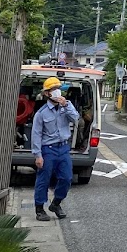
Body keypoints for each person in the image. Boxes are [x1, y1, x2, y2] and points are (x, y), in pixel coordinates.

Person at [31, 76, 79, 221]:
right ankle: (39, 209)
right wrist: (38, 155)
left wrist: (66, 105)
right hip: (48, 149)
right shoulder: (41, 113)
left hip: (63, 148)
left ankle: (56, 203)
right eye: (53, 90)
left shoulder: (66, 107)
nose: (56, 92)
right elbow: (36, 134)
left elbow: (76, 117)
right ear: (47, 93)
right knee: (43, 179)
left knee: (66, 177)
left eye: (58, 89)